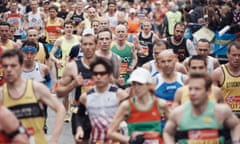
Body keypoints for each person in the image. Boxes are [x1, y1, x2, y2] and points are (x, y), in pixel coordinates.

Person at [0, 49, 66, 144]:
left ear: (21, 66)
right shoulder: (2, 94)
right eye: (5, 66)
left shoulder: (36, 88)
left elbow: (60, 109)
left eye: (13, 66)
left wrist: (54, 139)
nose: (9, 70)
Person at [163, 72, 240, 144]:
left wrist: (236, 141)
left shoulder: (221, 111)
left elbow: (236, 125)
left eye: (197, 89)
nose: (192, 93)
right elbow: (167, 133)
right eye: (190, 89)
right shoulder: (178, 113)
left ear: (208, 91)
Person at [107, 67, 169, 144]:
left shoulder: (161, 104)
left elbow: (172, 128)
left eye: (140, 84)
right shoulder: (126, 106)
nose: (136, 88)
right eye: (133, 84)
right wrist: (130, 140)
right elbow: (110, 132)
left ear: (148, 85)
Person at [74, 57, 127, 144]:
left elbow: (133, 116)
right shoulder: (86, 97)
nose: (98, 77)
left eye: (102, 73)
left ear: (109, 75)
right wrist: (79, 129)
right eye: (95, 74)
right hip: (97, 140)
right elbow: (79, 115)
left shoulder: (120, 94)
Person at [56, 33, 96, 142]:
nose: (88, 47)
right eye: (85, 44)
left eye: (91, 44)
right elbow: (59, 92)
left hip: (99, 112)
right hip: (80, 113)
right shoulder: (72, 66)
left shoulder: (104, 65)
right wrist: (73, 84)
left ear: (96, 46)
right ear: (80, 46)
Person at [212, 41, 240, 118]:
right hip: (226, 117)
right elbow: (212, 98)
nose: (237, 58)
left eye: (239, 55)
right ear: (228, 55)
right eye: (234, 55)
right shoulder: (218, 73)